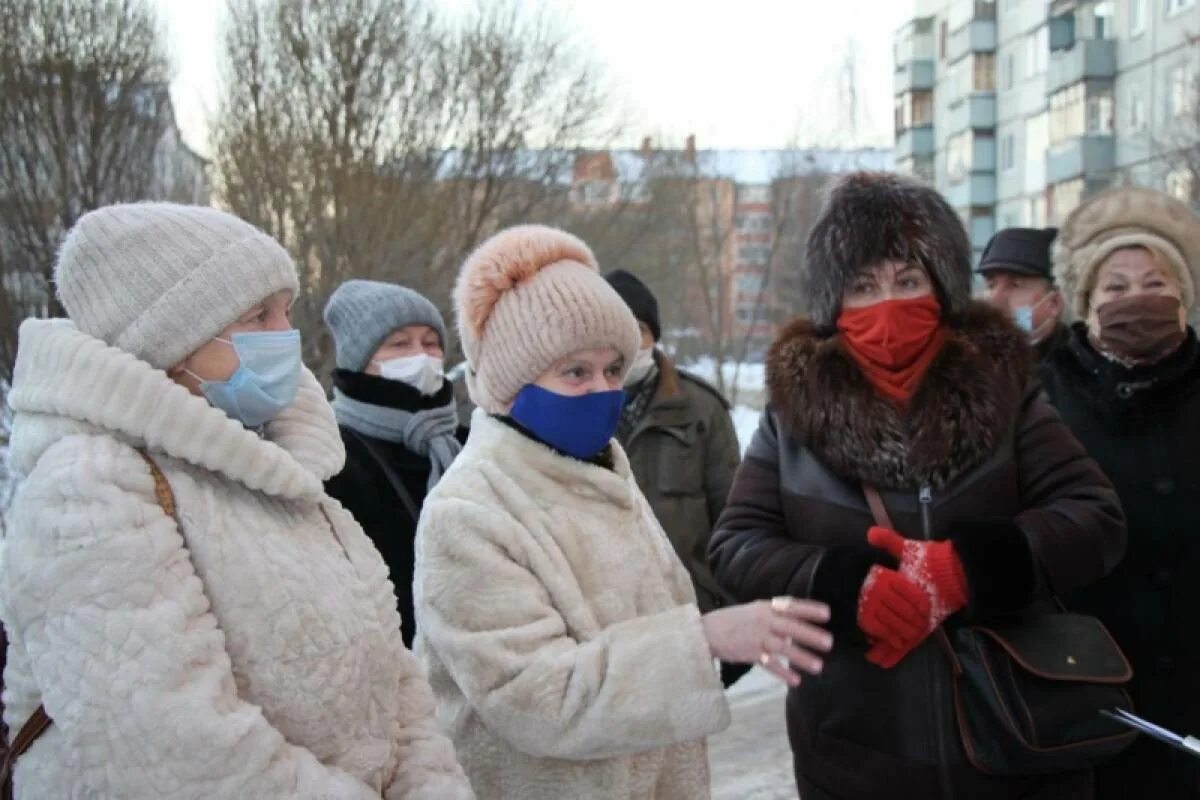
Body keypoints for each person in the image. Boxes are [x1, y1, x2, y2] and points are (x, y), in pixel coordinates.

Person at [0, 204, 472, 799]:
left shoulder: (285, 466)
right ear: (173, 340)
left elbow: (394, 678)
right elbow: (175, 750)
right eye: (257, 316)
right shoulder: (89, 491)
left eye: (285, 310)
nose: (286, 339)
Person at [708, 172, 1126, 800]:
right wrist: (842, 584)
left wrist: (970, 568)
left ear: (943, 287)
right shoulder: (792, 415)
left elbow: (1095, 518)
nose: (888, 305)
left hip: (1014, 745)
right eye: (863, 286)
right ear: (833, 302)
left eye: (909, 281)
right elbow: (736, 546)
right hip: (854, 753)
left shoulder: (1007, 391)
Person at [413, 225, 833, 799]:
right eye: (575, 372)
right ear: (511, 383)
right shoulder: (467, 512)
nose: (602, 390)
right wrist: (703, 640)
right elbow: (534, 697)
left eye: (613, 370)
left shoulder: (600, 470)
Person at [1039, 186, 1200, 799]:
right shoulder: (1038, 399)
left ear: (1183, 294)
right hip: (1079, 697)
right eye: (1116, 287)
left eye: (1157, 282)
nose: (1139, 299)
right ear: (1085, 303)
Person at [604, 269, 748, 687]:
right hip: (603, 627)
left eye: (639, 328)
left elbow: (734, 522)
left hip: (688, 617)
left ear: (654, 335)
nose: (628, 343)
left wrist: (732, 611)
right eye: (614, 328)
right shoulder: (574, 409)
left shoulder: (701, 410)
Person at [323, 279, 466, 647]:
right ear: (359, 359)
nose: (421, 356)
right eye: (400, 344)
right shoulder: (331, 455)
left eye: (431, 343)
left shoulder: (468, 442)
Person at [977, 226, 1068, 361]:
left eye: (1015, 285)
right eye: (991, 285)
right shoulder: (969, 364)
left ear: (1054, 302)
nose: (994, 300)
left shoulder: (1078, 370)